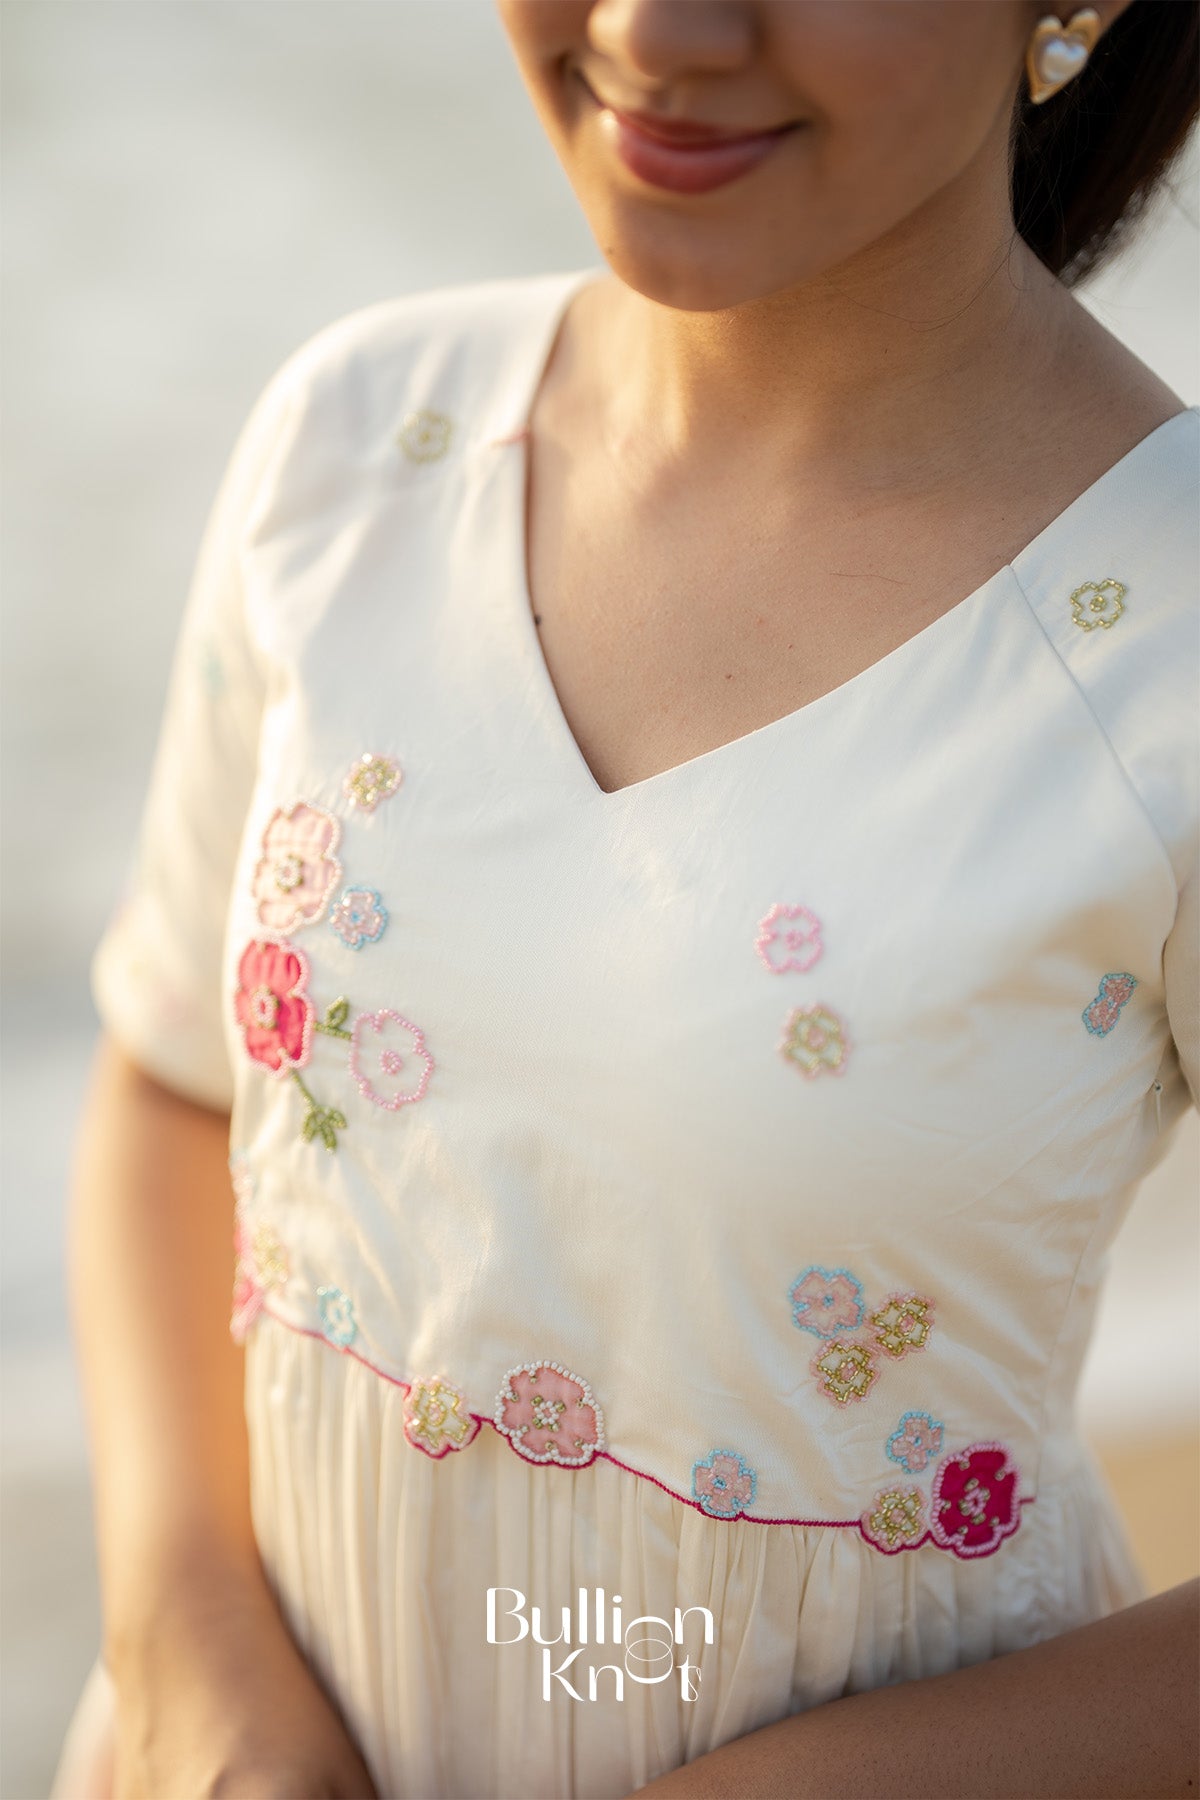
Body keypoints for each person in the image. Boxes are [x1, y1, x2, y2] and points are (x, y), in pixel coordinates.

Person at [51, 2, 1199, 1796]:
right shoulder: (357, 447)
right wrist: (193, 1668)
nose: (656, 28)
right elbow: (173, 1082)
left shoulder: (1166, 653)